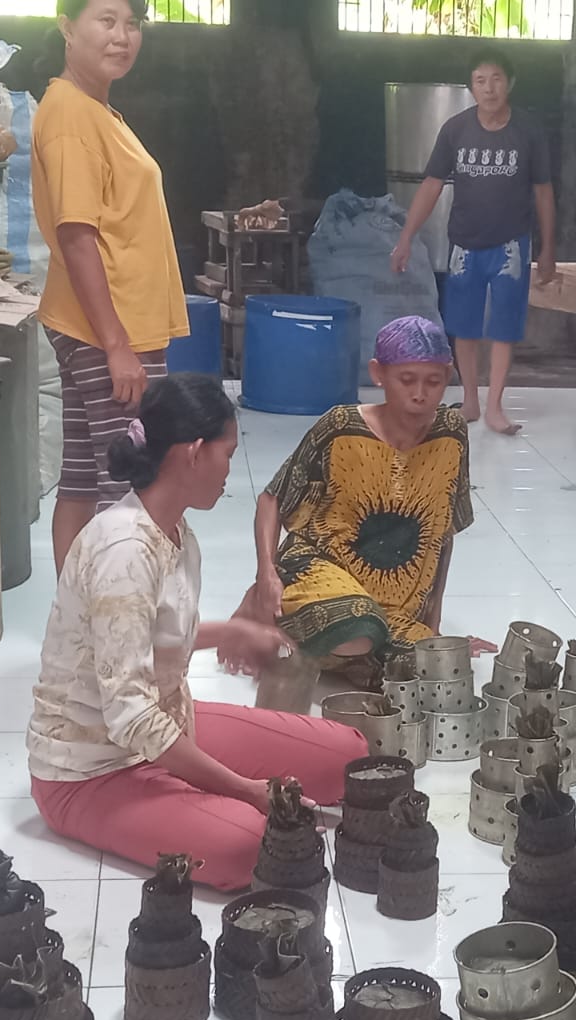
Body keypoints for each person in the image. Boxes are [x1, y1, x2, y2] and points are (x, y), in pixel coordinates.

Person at [27, 375, 367, 892]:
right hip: (92, 768)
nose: (230, 470)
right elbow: (130, 715)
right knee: (253, 845)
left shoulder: (177, 533)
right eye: (226, 454)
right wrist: (246, 791)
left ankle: (194, 792)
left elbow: (147, 638)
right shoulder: (123, 551)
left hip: (167, 722)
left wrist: (232, 632)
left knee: (349, 754)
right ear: (192, 453)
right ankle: (196, 801)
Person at [234, 317, 494, 686]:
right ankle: (262, 614)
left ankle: (355, 658)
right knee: (355, 627)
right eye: (407, 380)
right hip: (319, 570)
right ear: (378, 374)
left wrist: (430, 630)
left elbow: (441, 533)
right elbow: (272, 498)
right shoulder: (340, 425)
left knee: (434, 670)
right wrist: (266, 575)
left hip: (397, 600)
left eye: (433, 381)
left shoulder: (452, 434)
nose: (420, 393)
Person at [31, 0, 189, 568]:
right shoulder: (71, 113)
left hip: (99, 326)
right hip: (109, 330)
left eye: (133, 23)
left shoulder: (94, 110)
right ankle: (116, 632)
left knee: (81, 476)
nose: (122, 36)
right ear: (66, 25)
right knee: (135, 485)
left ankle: (77, 625)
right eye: (106, 20)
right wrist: (118, 345)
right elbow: (77, 235)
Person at [390, 49, 556, 436]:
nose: (489, 88)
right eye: (480, 80)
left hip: (511, 245)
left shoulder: (529, 132)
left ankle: (495, 406)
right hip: (464, 243)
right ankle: (469, 399)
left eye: (496, 78)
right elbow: (431, 184)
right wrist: (405, 237)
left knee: (504, 327)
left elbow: (544, 191)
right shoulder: (455, 129)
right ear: (471, 87)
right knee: (463, 326)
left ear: (509, 83)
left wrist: (549, 248)